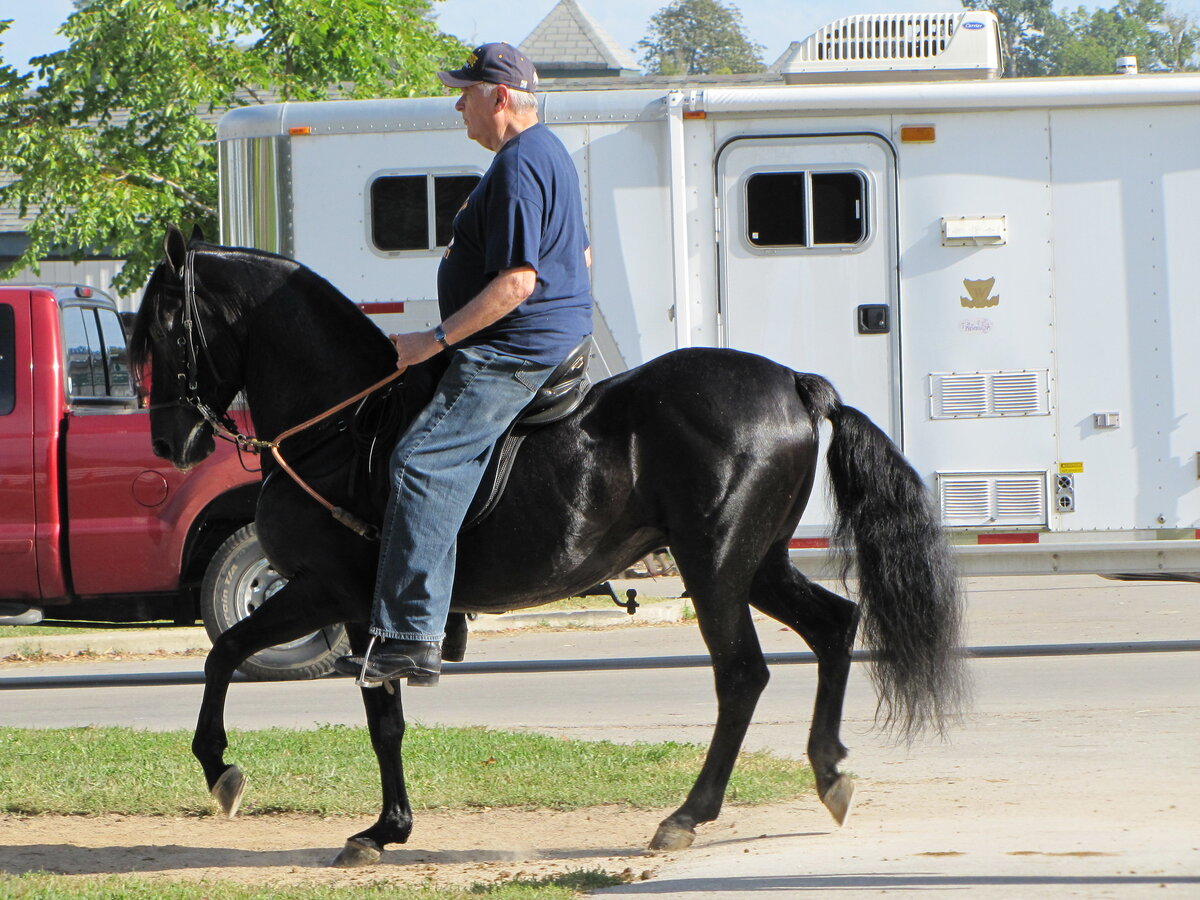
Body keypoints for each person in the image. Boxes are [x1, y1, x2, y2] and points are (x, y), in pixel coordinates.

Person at [335, 43, 593, 686]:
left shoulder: (517, 165)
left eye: (466, 92)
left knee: (422, 463)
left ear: (499, 97)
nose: (458, 103)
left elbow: (517, 283)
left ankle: (410, 638)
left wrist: (435, 339)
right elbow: (580, 257)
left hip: (514, 351)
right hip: (541, 338)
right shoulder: (549, 153)